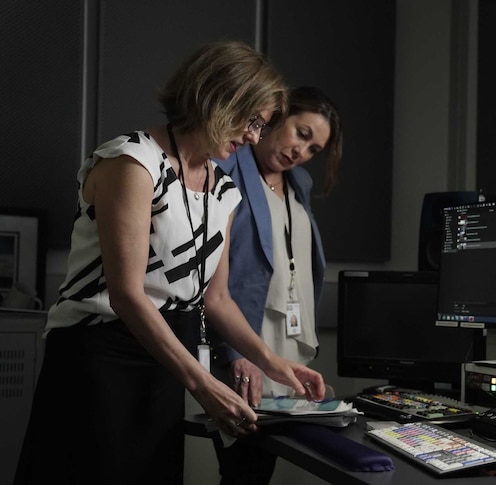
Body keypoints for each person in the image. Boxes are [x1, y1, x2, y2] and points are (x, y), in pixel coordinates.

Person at [14, 41, 328, 485]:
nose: (255, 137)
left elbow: (216, 300)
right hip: (99, 359)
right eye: (253, 121)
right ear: (220, 97)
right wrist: (203, 384)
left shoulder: (224, 190)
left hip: (163, 365)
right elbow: (126, 295)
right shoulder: (132, 162)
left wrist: (274, 362)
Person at [206, 85, 343, 485]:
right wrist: (235, 352)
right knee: (242, 471)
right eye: (302, 133)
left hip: (287, 349)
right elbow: (211, 277)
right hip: (241, 346)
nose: (302, 152)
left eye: (314, 148)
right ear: (279, 117)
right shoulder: (227, 168)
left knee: (259, 470)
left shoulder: (298, 183)